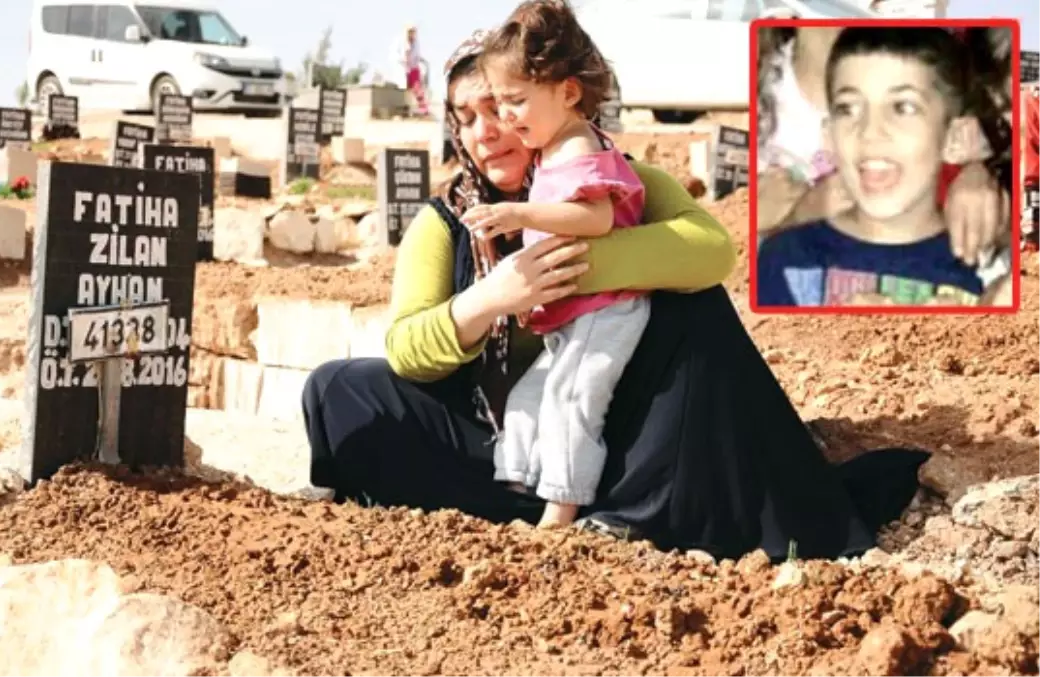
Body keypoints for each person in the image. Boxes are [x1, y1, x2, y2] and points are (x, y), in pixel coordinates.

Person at [302, 30, 928, 562]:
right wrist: (492, 297)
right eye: (466, 119)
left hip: (614, 430)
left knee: (692, 306)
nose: (488, 131)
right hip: (492, 435)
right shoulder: (445, 221)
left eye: (502, 107)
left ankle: (633, 512)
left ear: (546, 101)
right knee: (337, 390)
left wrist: (569, 266)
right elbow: (410, 350)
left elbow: (709, 250)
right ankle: (520, 505)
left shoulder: (606, 175)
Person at [457, 0, 650, 528]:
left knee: (571, 402)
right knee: (530, 399)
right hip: (575, 313)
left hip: (604, 312)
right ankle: (519, 488)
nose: (505, 116)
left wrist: (517, 211)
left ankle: (560, 512)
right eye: (499, 102)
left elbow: (595, 216)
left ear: (567, 92)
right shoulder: (554, 150)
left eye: (515, 101)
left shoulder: (579, 147)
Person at [757, 28, 1012, 307]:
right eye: (849, 108)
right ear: (829, 135)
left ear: (955, 139)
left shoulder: (991, 278)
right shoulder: (782, 261)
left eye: (903, 107)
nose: (871, 132)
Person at [397, 25, 430, 116]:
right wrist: (405, 66)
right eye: (410, 32)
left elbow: (416, 55)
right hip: (404, 69)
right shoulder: (403, 43)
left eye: (413, 32)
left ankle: (423, 108)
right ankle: (405, 109)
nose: (412, 34)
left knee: (417, 89)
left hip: (413, 68)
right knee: (404, 90)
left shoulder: (416, 43)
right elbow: (403, 56)